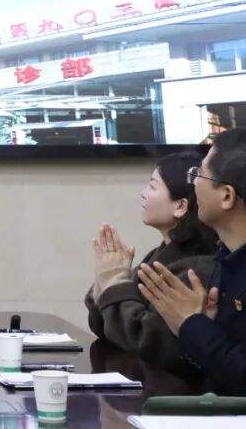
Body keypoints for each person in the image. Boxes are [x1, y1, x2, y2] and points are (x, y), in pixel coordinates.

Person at [84, 151, 218, 373]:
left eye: (153, 186)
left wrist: (115, 282)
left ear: (181, 206)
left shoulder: (197, 268)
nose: (143, 193)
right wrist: (105, 278)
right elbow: (104, 327)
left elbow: (148, 338)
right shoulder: (159, 255)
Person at [138, 127, 246, 396]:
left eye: (199, 174)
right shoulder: (226, 259)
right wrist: (196, 329)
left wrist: (193, 325)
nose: (194, 184)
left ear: (227, 196)